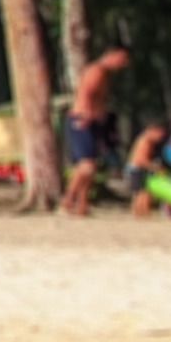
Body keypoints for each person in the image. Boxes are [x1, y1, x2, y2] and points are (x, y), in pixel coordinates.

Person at [60, 45, 131, 218]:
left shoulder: (105, 74)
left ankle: (83, 204)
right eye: (121, 59)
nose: (122, 64)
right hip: (82, 120)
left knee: (90, 165)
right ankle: (67, 200)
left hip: (94, 122)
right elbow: (86, 94)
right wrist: (86, 117)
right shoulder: (96, 71)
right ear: (111, 54)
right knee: (86, 167)